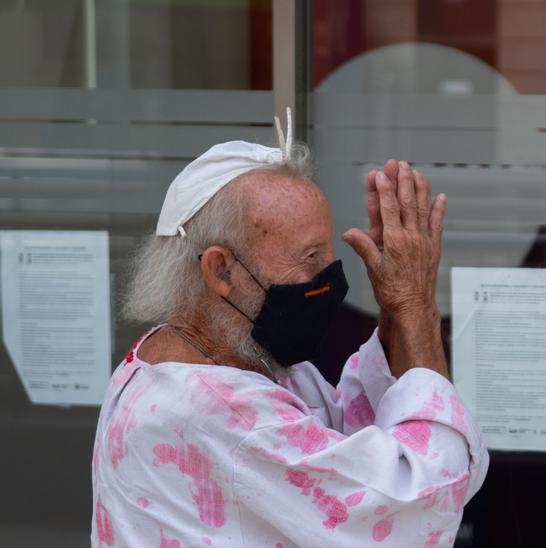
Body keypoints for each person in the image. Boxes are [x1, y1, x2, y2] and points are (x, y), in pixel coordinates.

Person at [90, 116, 488, 547]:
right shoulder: (223, 411)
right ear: (221, 270)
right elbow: (417, 507)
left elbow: (345, 437)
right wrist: (416, 305)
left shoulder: (206, 354)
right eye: (309, 257)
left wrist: (395, 309)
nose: (329, 276)